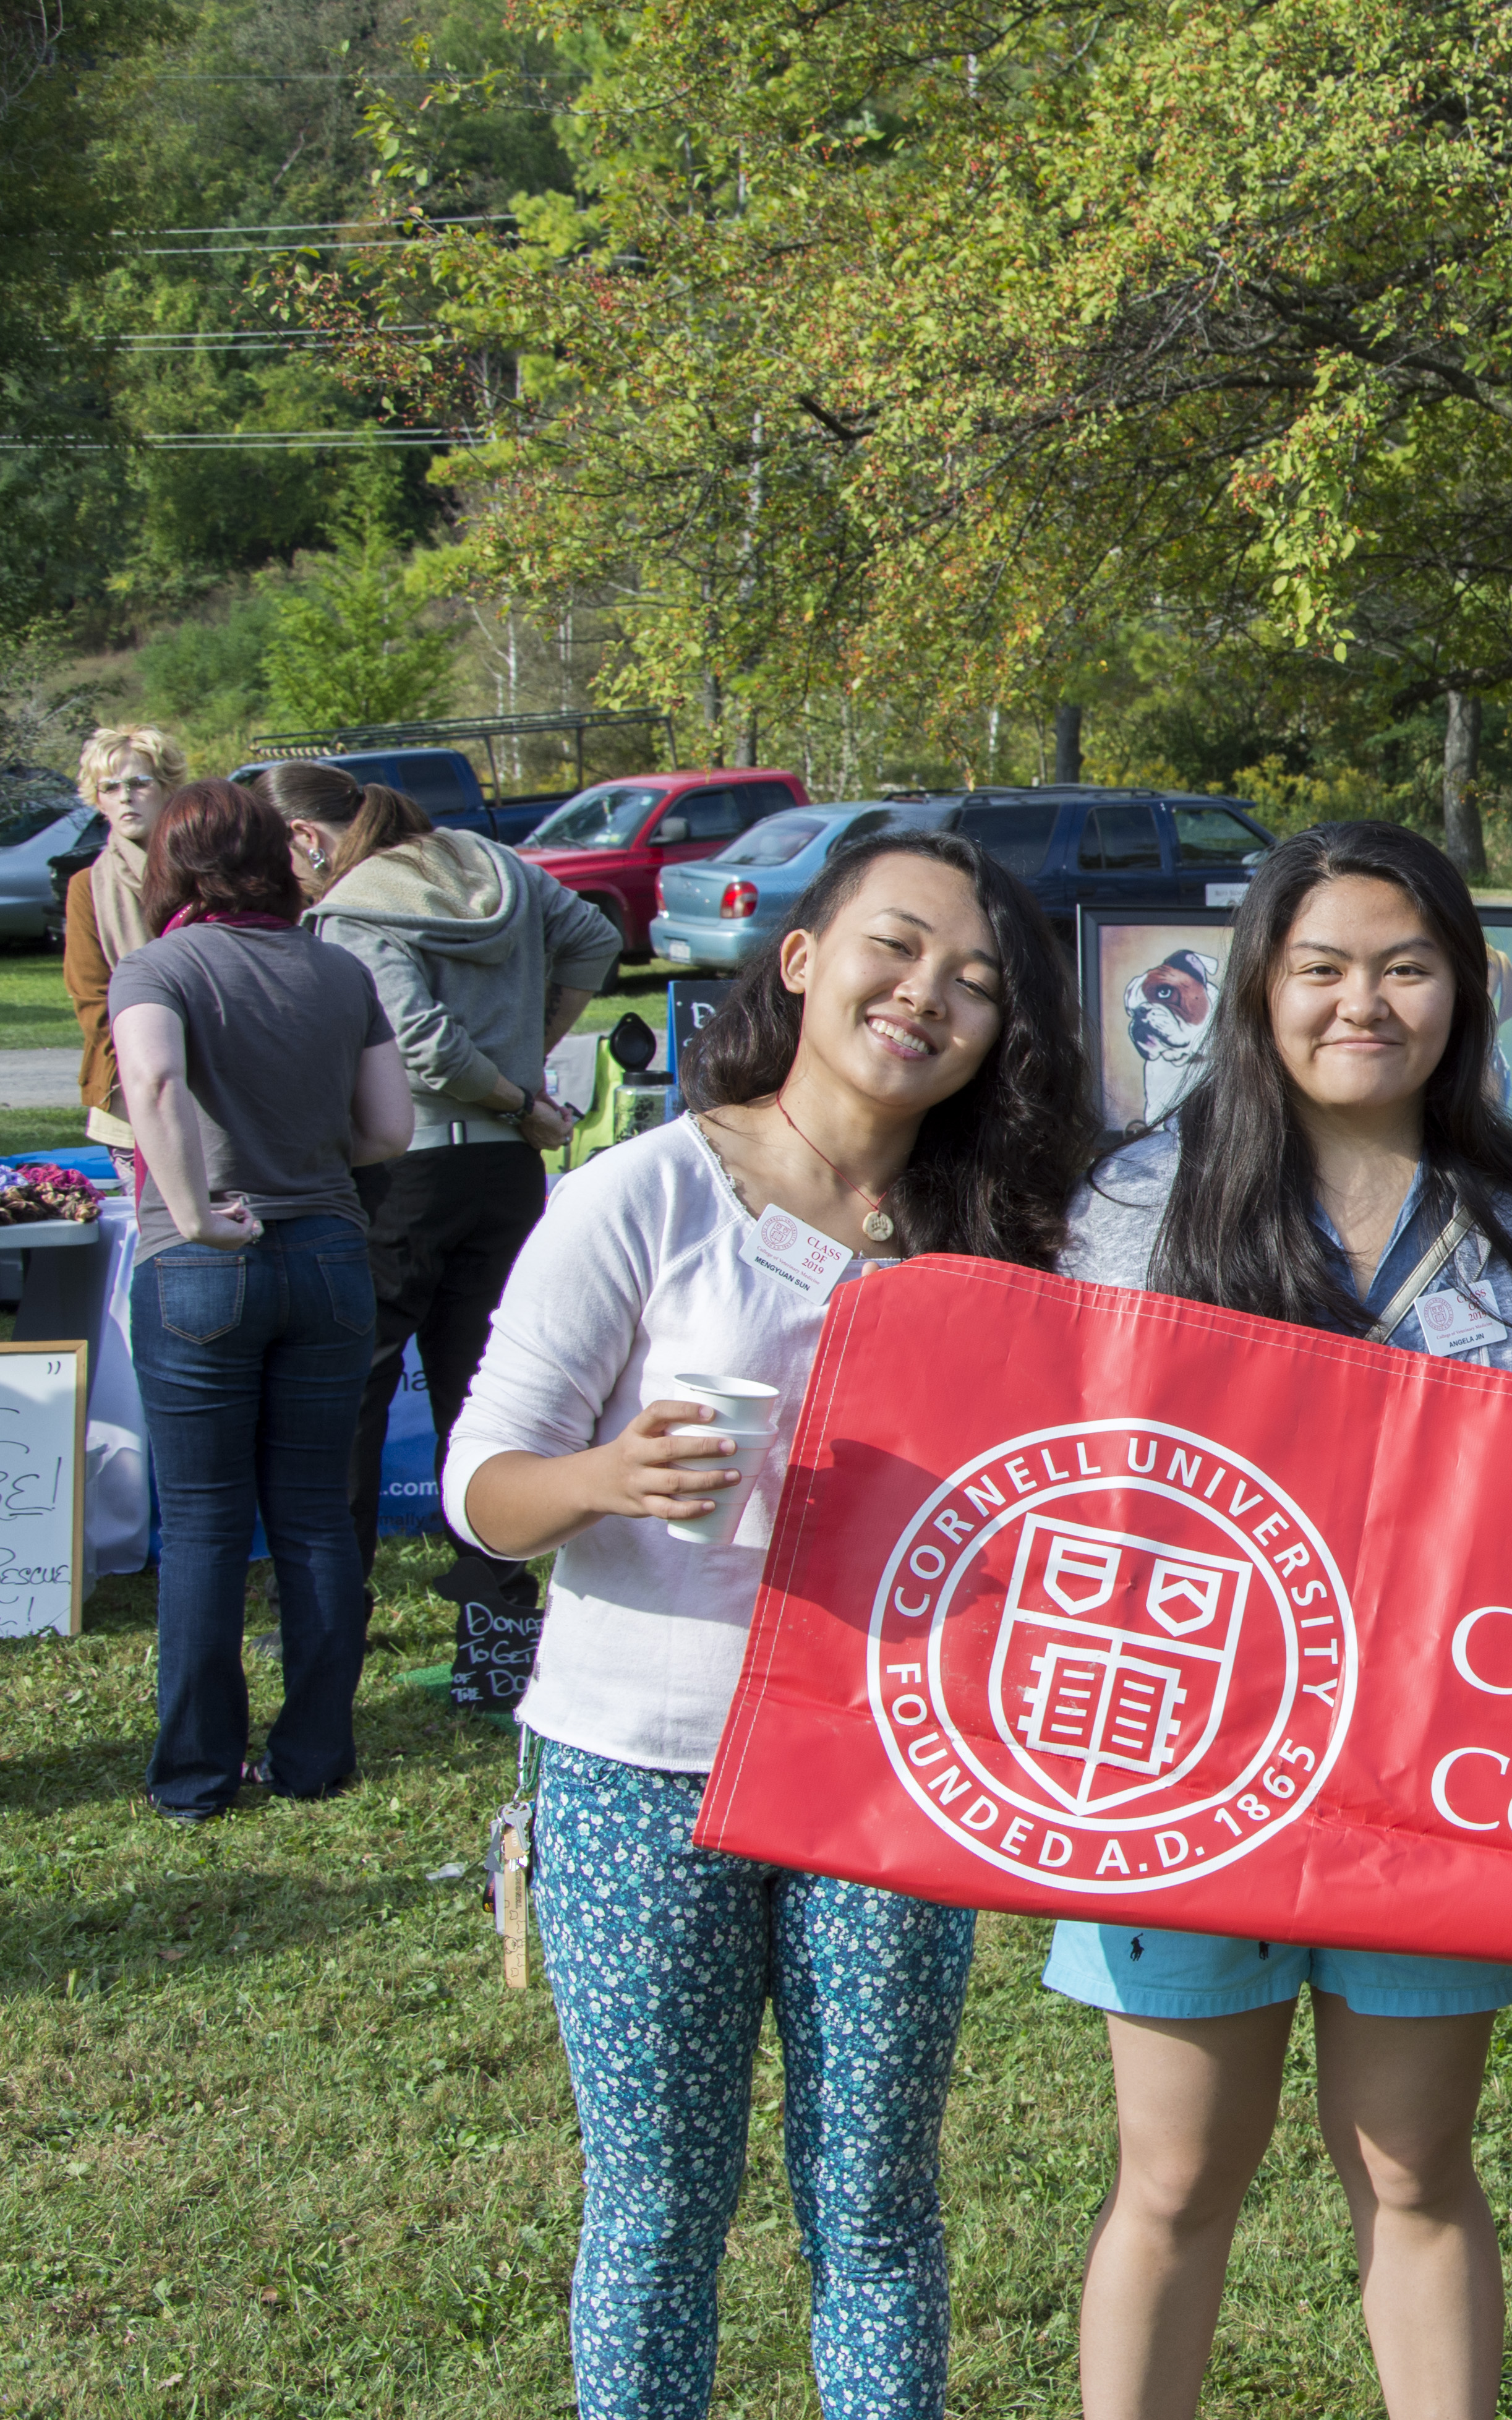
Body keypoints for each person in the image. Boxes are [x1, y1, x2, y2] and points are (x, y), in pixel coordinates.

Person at [440, 831, 1095, 2420]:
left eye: (978, 981)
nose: (925, 993)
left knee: (876, 2207)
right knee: (661, 2209)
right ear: (799, 959)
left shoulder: (995, 1240)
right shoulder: (644, 1197)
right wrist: (607, 1472)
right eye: (895, 945)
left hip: (886, 1775)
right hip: (638, 1766)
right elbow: (479, 1488)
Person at [1049, 820, 1512, 2420]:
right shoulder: (1141, 1203)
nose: (1366, 1003)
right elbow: (1081, 1483)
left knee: (1415, 2168)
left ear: (1467, 992)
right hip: (1191, 1762)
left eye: (1408, 967)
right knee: (1174, 2174)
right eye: (1325, 968)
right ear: (1257, 989)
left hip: (1434, 1768)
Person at [109, 780, 416, 1821]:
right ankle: (313, 1755)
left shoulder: (158, 966)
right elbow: (389, 1130)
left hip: (204, 1265)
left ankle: (197, 1775)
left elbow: (150, 1083)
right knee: (315, 1520)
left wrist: (194, 1210)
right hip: (330, 1255)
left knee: (202, 1527)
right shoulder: (337, 971)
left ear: (172, 868)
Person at [258, 759, 618, 1601]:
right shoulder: (484, 862)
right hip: (504, 1167)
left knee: (354, 1385)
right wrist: (524, 1075)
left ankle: (329, 1596)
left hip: (406, 1166)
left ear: (305, 838)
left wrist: (510, 1087)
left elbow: (419, 1043)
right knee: (483, 1386)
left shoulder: (354, 908)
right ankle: (493, 1596)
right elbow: (597, 939)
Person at [64, 722, 190, 1187]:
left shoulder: (207, 872)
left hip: (223, 1080)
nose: (125, 797)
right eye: (110, 787)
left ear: (167, 790)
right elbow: (92, 999)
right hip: (131, 1091)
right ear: (97, 799)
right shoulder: (87, 888)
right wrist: (153, 1062)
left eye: (139, 783)